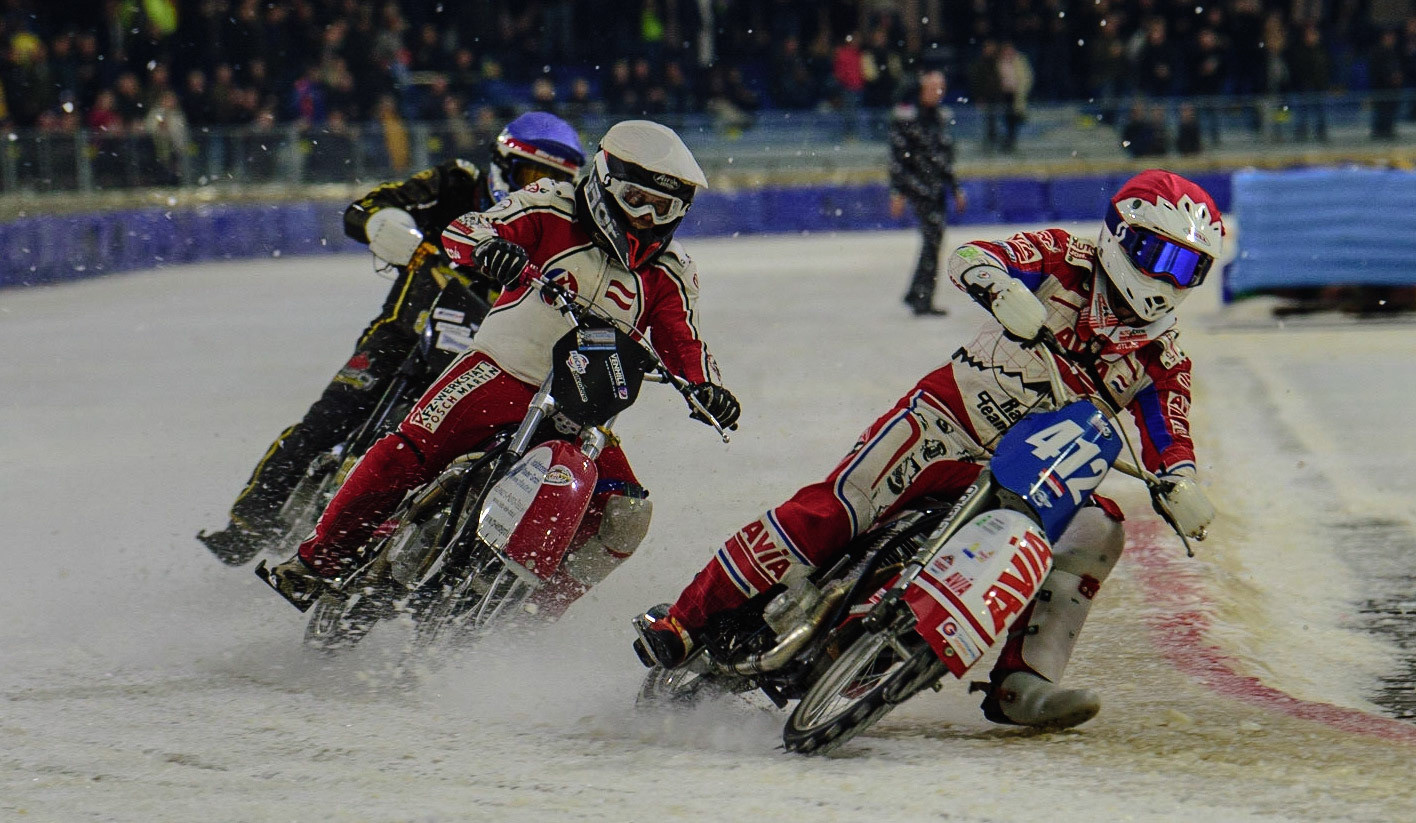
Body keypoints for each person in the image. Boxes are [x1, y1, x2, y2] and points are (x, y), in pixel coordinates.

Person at [636, 170, 1223, 733]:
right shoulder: (1065, 258)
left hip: (1033, 476)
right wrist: (996, 287)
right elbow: (972, 256)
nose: (1169, 280)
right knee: (837, 511)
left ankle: (1025, 680)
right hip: (947, 422)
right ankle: (686, 620)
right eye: (1158, 256)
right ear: (1121, 234)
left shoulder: (1161, 358)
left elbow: (1171, 439)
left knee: (1100, 532)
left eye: (1189, 267)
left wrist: (1183, 483)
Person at [263, 120, 742, 611]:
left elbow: (683, 339)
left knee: (625, 515)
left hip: (582, 409)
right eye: (637, 199)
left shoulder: (671, 270)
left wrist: (707, 388)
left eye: (663, 208)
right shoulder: (552, 203)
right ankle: (318, 559)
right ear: (604, 182)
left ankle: (536, 612)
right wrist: (490, 248)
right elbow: (467, 229)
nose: (646, 217)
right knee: (405, 453)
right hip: (500, 370)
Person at [197, 113, 588, 566]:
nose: (535, 188)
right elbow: (367, 207)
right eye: (531, 174)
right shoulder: (456, 183)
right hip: (403, 333)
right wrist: (388, 227)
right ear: (503, 162)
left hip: (487, 358)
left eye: (551, 180)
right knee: (328, 419)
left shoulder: (557, 229)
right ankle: (250, 522)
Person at [890, 70, 966, 316]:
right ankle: (921, 297)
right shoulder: (907, 117)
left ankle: (918, 293)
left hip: (936, 188)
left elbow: (944, 158)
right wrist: (898, 191)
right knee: (932, 239)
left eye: (941, 88)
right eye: (934, 87)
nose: (938, 92)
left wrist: (955, 188)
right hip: (918, 187)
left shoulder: (939, 118)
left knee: (933, 241)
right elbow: (899, 158)